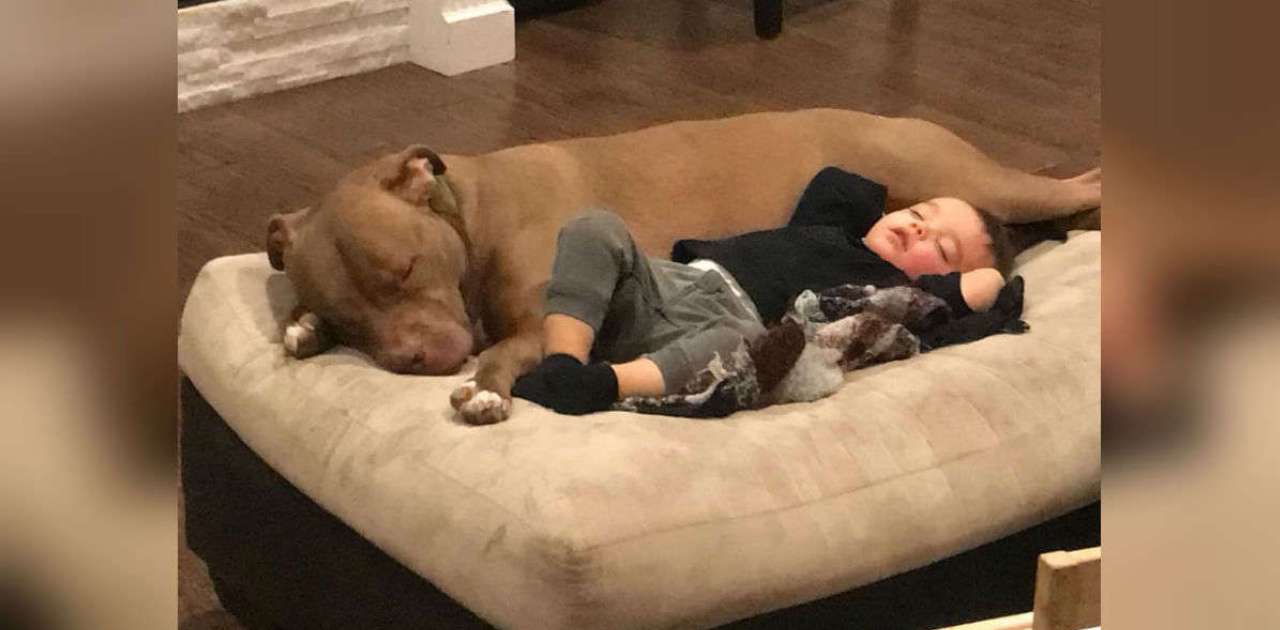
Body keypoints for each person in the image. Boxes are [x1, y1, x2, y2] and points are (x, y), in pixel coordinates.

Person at [512, 167, 1016, 415]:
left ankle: (600, 385)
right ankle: (564, 364)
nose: (920, 228)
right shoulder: (830, 224)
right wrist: (891, 221)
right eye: (919, 213)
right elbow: (837, 181)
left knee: (741, 340)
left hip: (722, 324)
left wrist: (985, 268)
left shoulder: (890, 290)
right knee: (595, 226)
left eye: (941, 247)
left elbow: (982, 287)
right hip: (669, 281)